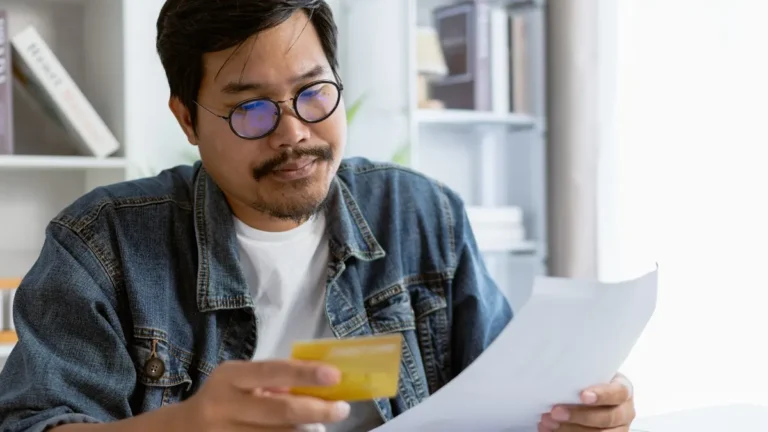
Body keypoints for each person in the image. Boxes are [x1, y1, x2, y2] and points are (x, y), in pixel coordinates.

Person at [0, 1, 637, 431]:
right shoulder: (102, 244)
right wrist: (185, 424)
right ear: (187, 118)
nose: (293, 134)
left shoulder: (421, 217)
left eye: (313, 93)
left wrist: (574, 411)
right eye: (251, 110)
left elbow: (505, 396)